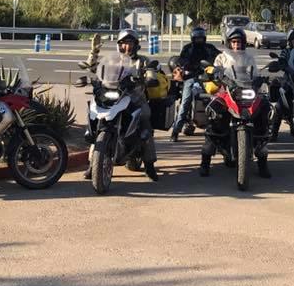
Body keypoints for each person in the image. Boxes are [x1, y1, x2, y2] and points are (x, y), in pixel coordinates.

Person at [82, 29, 160, 181]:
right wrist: (94, 51)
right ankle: (93, 165)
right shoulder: (112, 60)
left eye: (129, 43)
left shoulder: (143, 60)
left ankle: (150, 165)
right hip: (113, 97)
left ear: (136, 45)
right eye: (123, 43)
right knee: (99, 125)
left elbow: (152, 74)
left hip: (135, 99)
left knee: (145, 122)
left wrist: (150, 77)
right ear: (118, 45)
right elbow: (93, 68)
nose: (126, 47)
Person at [200, 27, 274, 178]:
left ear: (244, 43)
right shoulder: (222, 57)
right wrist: (213, 73)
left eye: (239, 42)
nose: (236, 45)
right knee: (213, 115)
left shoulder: (249, 57)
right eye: (233, 42)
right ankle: (205, 162)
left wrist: (261, 79)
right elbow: (215, 71)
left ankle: (262, 162)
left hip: (246, 91)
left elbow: (255, 74)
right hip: (226, 91)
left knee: (265, 110)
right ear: (229, 43)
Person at [170, 27, 220, 142]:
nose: (199, 40)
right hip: (192, 78)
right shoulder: (187, 49)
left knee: (221, 97)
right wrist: (187, 65)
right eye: (197, 38)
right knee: (186, 100)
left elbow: (220, 57)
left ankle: (221, 128)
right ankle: (175, 131)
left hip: (209, 78)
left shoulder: (210, 48)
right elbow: (181, 60)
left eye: (201, 38)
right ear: (192, 38)